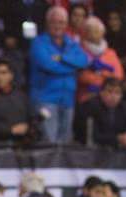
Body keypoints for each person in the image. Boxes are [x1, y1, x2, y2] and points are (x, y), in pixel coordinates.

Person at [29, 6, 90, 143]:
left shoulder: (71, 43)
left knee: (65, 144)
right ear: (47, 23)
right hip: (45, 100)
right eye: (54, 22)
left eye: (61, 22)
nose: (58, 26)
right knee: (48, 143)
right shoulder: (38, 43)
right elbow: (49, 66)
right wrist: (72, 67)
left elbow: (84, 60)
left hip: (68, 99)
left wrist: (62, 58)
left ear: (66, 24)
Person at [74, 76, 126, 146]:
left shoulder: (125, 108)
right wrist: (118, 139)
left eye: (117, 92)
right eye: (109, 91)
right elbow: (91, 136)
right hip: (90, 150)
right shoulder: (89, 106)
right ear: (101, 93)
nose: (113, 96)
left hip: (116, 150)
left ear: (121, 95)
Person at [78, 16, 124, 103]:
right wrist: (106, 75)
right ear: (85, 33)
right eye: (90, 31)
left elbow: (118, 75)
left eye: (97, 30)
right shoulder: (79, 51)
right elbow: (82, 76)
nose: (93, 33)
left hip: (109, 98)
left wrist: (100, 74)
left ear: (102, 33)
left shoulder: (111, 53)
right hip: (87, 97)